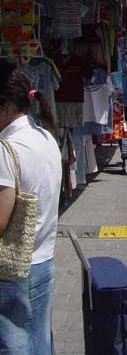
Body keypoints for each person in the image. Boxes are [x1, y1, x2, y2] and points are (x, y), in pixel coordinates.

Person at [0, 64, 62, 354]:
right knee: (40, 343)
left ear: (6, 107)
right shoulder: (46, 137)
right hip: (44, 260)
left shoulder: (7, 149)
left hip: (13, 273)